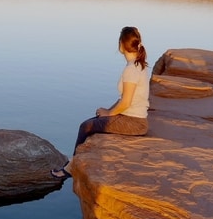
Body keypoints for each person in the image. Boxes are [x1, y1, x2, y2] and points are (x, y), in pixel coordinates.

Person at [51, 26, 150, 179]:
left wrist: (109, 113)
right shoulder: (138, 64)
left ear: (121, 45)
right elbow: (124, 99)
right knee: (95, 120)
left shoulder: (131, 69)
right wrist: (107, 110)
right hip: (132, 118)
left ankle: (71, 168)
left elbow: (126, 102)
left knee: (86, 126)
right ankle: (73, 162)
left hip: (134, 122)